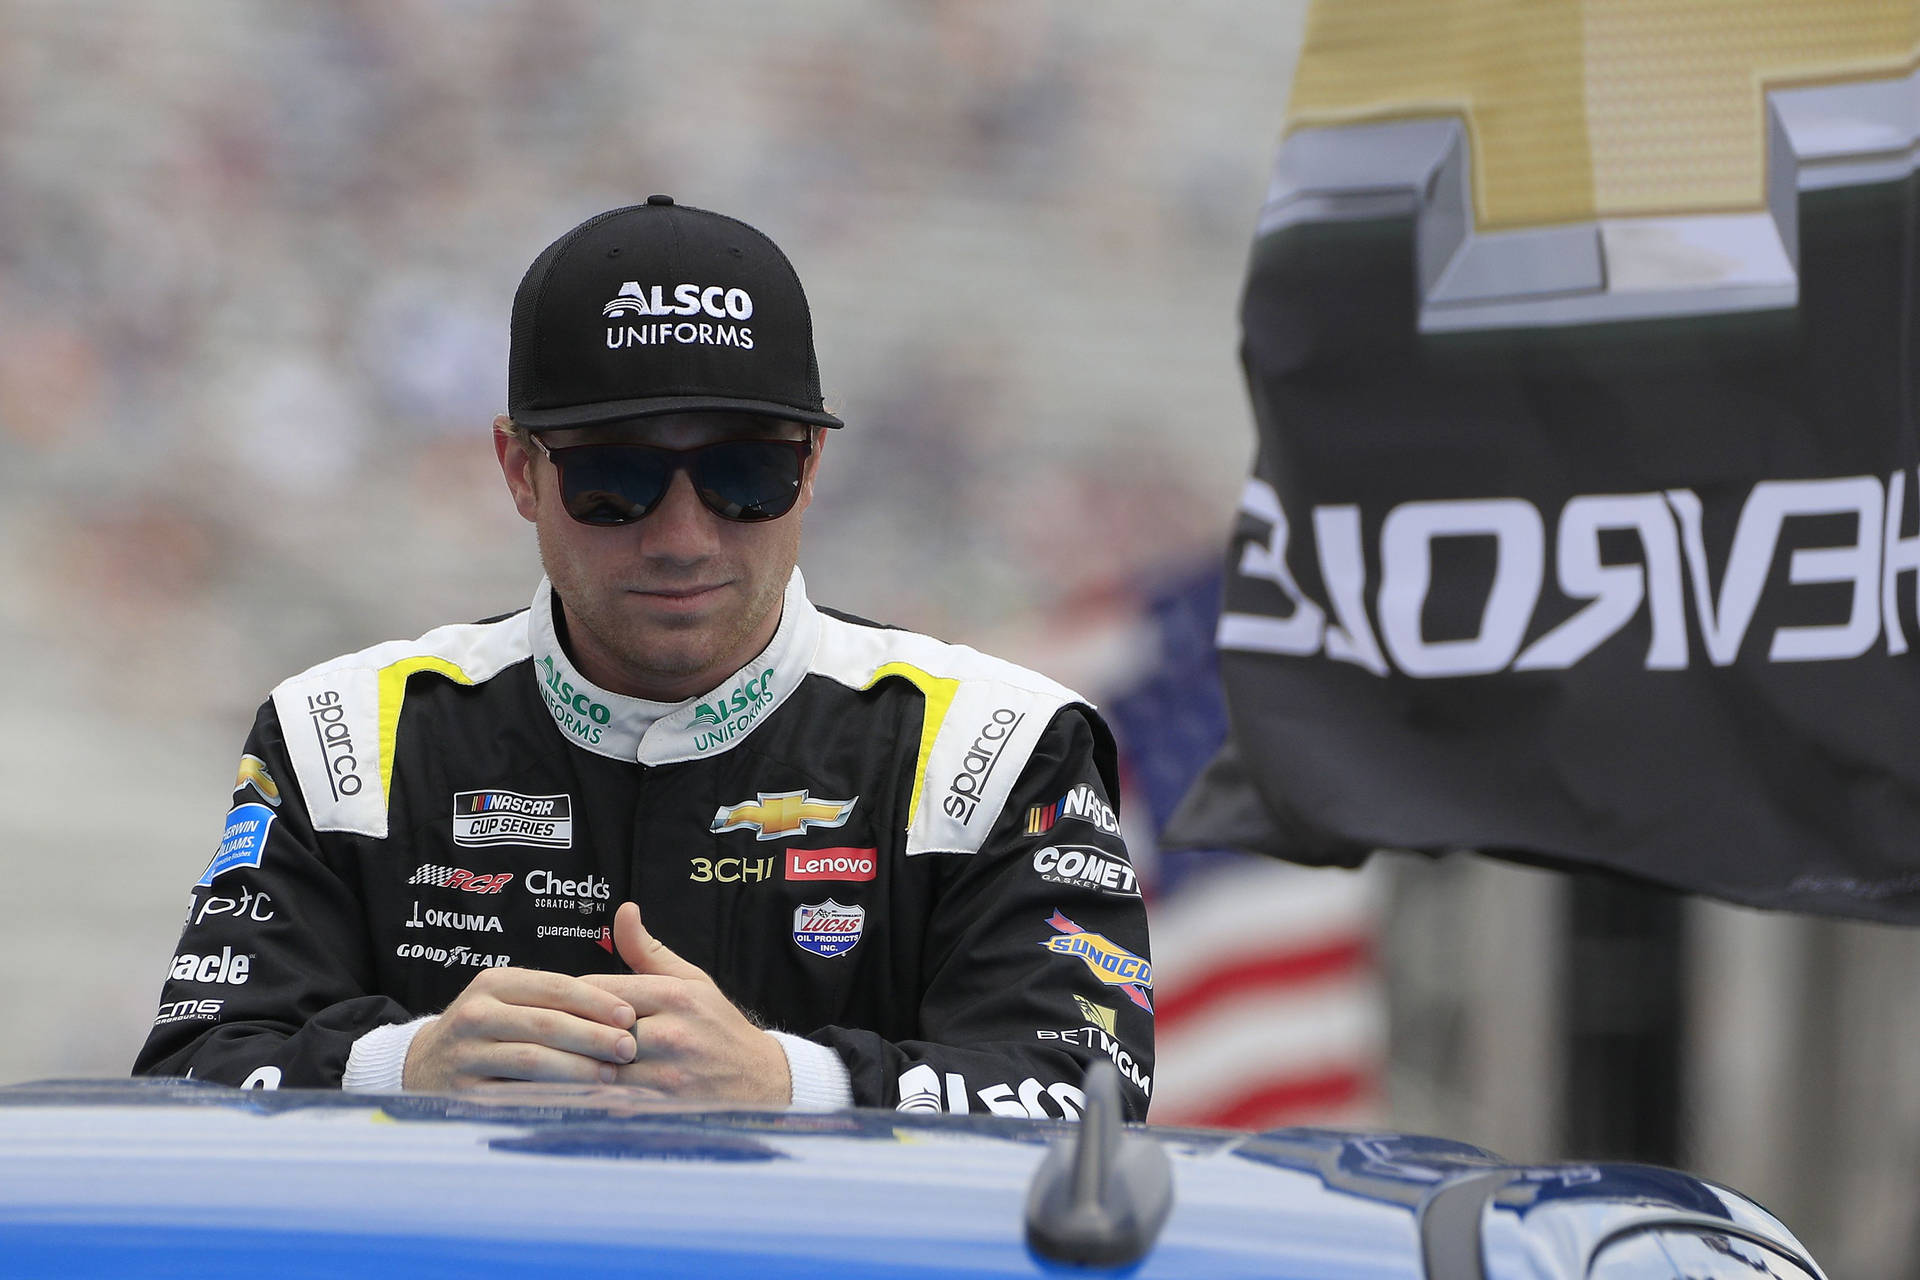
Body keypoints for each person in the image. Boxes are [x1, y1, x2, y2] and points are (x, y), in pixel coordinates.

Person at [134, 197, 1154, 1119]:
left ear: (812, 468)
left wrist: (788, 1084)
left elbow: (1089, 1111)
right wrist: (407, 1065)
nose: (682, 535)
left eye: (743, 474)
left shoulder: (997, 746)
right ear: (519, 470)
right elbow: (180, 1088)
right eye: (615, 479)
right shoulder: (340, 734)